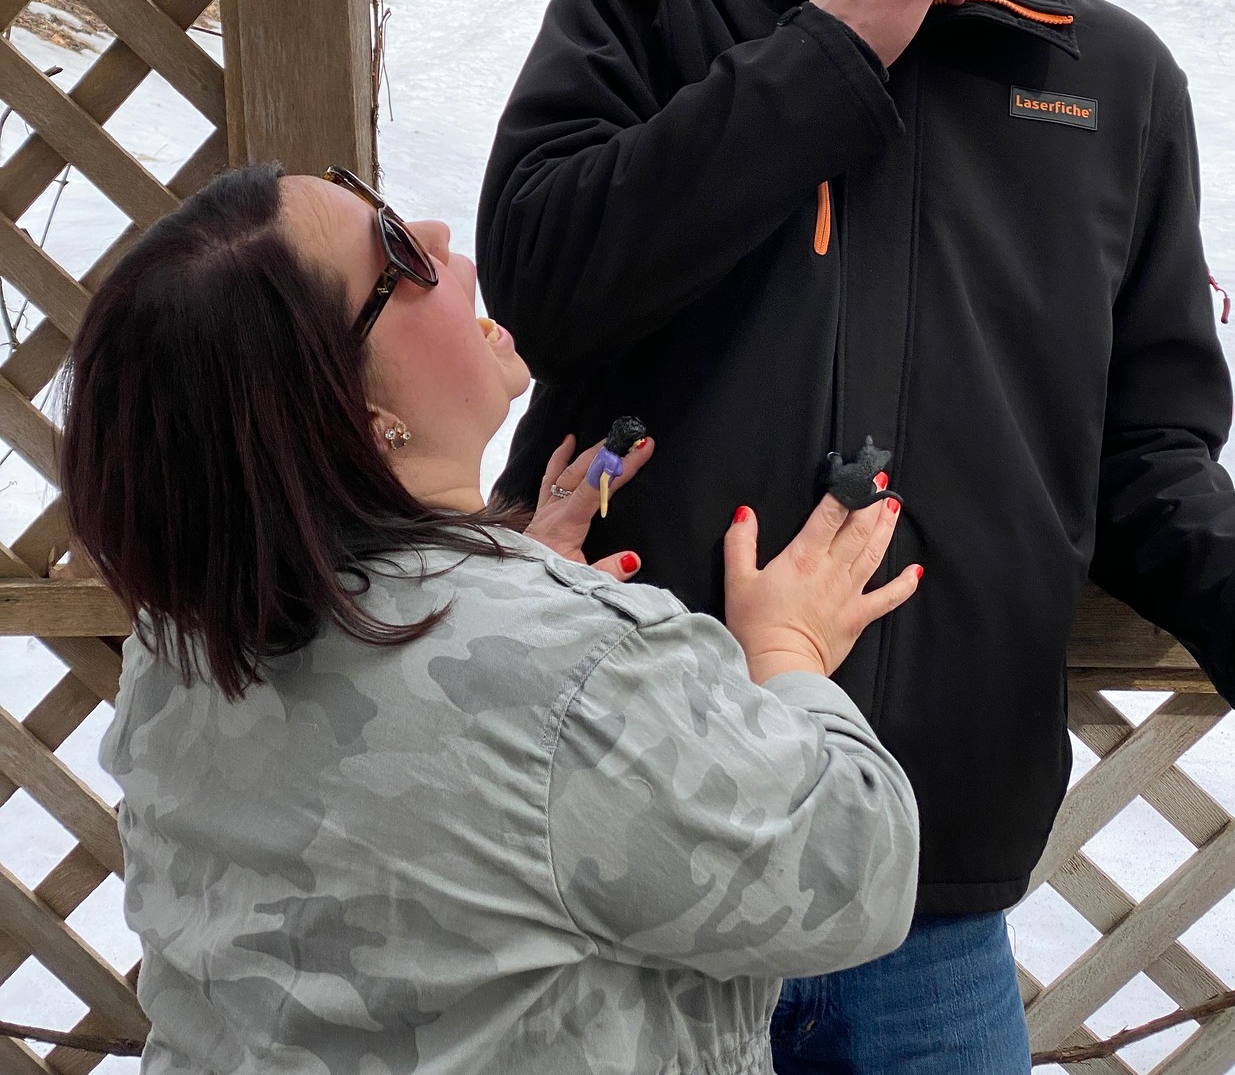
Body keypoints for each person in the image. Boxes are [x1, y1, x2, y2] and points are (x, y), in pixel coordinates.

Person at [477, 0, 1235, 1074]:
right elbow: (542, 286)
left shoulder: (1106, 77)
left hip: (919, 878)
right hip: (627, 839)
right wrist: (826, 51)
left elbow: (1145, 455)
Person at [62, 162, 921, 1073]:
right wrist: (787, 645)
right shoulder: (571, 672)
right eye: (397, 254)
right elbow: (856, 871)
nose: (434, 234)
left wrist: (500, 575)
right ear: (364, 413)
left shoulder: (182, 641)